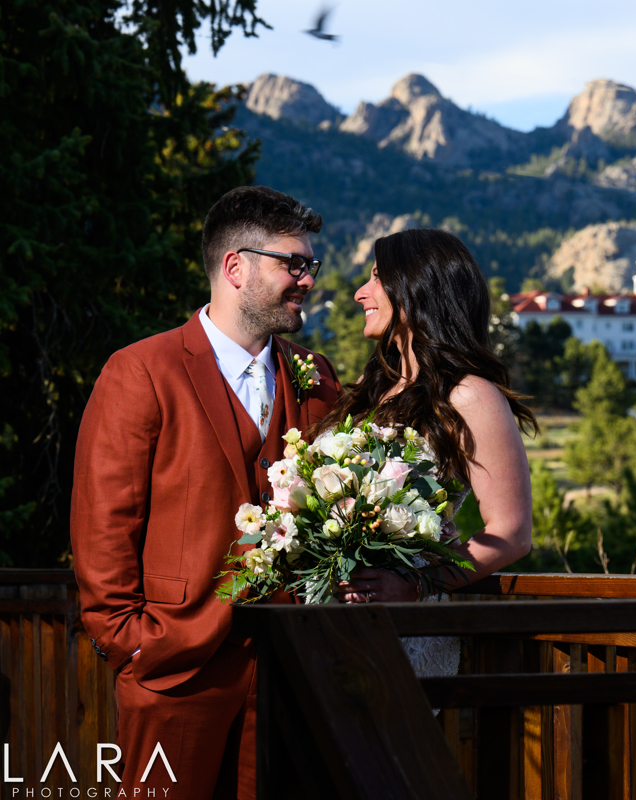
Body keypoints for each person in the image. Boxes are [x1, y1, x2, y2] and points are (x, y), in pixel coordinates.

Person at [70, 186, 341, 799]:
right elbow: (104, 524)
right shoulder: (142, 370)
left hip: (290, 675)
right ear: (234, 267)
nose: (307, 280)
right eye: (293, 264)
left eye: (311, 265)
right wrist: (131, 642)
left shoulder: (317, 377)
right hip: (174, 668)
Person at [321, 228, 535, 614]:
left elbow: (512, 533)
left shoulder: (470, 395)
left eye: (376, 277)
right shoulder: (374, 387)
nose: (359, 293)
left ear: (416, 286)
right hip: (333, 618)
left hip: (406, 623)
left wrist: (417, 583)